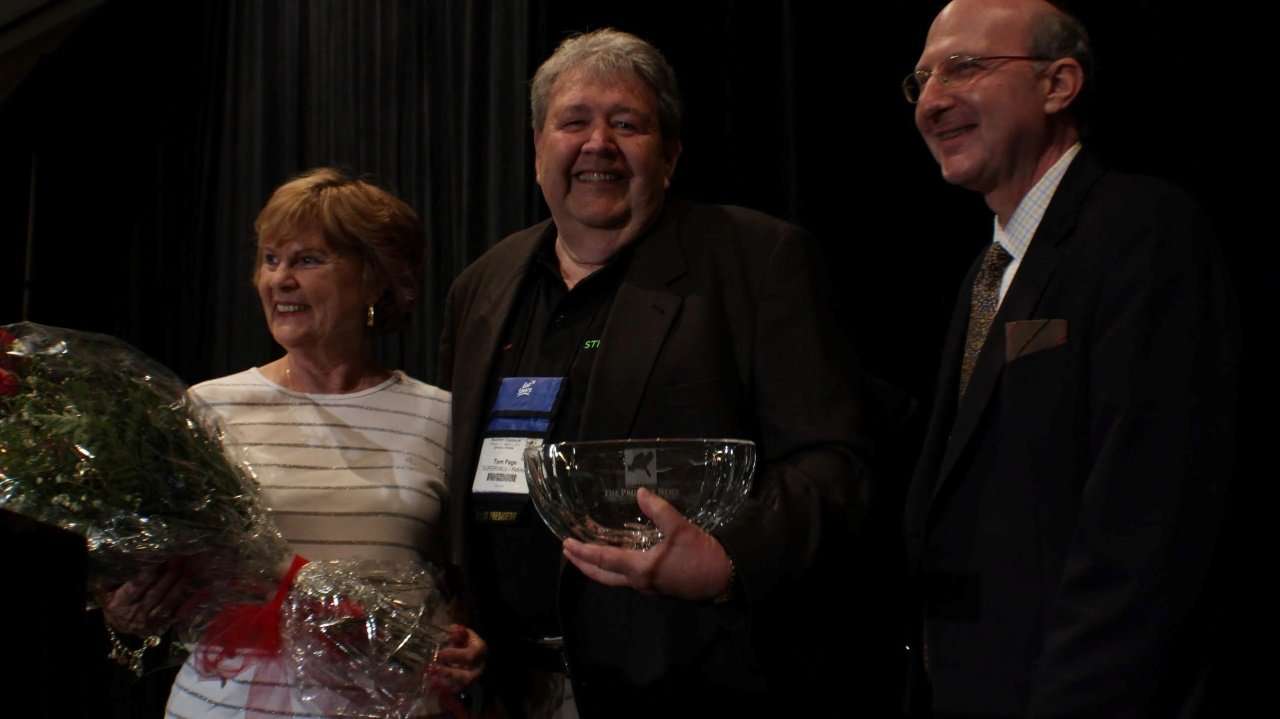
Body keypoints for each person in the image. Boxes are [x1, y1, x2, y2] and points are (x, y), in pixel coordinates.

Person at [439, 28, 872, 717]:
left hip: (690, 683)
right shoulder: (482, 285)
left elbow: (835, 464)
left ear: (669, 156)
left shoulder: (757, 261)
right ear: (537, 150)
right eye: (573, 121)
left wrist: (728, 558)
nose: (597, 143)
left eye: (628, 123)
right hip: (506, 686)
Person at [901, 1, 1240, 716]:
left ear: (1058, 84)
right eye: (922, 78)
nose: (932, 100)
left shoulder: (1142, 230)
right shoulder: (988, 270)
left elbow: (1146, 518)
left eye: (964, 67)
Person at [102, 168, 487, 717]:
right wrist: (128, 611)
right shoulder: (206, 408)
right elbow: (149, 585)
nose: (279, 279)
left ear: (375, 278)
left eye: (308, 260)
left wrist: (472, 639)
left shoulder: (442, 415)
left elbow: (462, 580)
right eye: (270, 259)